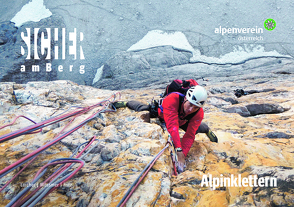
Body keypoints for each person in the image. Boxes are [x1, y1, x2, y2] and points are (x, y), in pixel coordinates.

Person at [112, 85, 218, 173]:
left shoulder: (198, 113)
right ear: (185, 98)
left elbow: (190, 135)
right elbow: (173, 126)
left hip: (181, 120)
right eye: (190, 104)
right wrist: (179, 150)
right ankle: (126, 103)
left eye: (195, 107)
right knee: (144, 109)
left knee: (197, 128)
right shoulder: (173, 99)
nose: (191, 109)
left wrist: (183, 155)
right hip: (163, 114)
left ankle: (207, 130)